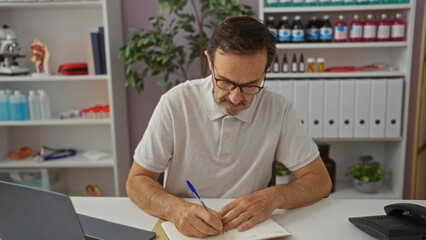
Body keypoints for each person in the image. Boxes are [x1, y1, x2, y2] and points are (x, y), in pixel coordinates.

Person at [126, 16, 332, 238]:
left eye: (250, 86)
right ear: (209, 62)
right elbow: (137, 181)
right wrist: (176, 210)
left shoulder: (277, 108)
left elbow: (320, 181)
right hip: (183, 230)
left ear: (265, 71)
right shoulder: (176, 102)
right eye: (224, 82)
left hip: (249, 231)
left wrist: (274, 197)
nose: (235, 98)